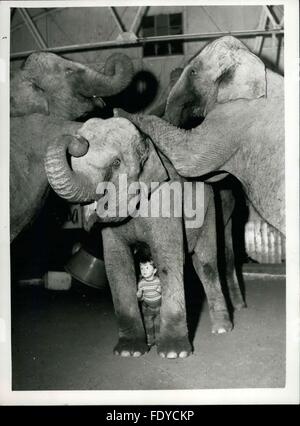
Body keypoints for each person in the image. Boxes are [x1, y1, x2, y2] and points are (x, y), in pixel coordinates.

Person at [137, 260, 161, 347]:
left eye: (147, 268)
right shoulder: (141, 283)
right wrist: (139, 296)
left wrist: (160, 291)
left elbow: (165, 293)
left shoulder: (158, 281)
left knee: (158, 324)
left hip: (159, 307)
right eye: (142, 268)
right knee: (149, 325)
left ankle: (158, 340)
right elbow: (141, 298)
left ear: (154, 271)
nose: (144, 270)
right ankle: (150, 340)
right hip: (148, 308)